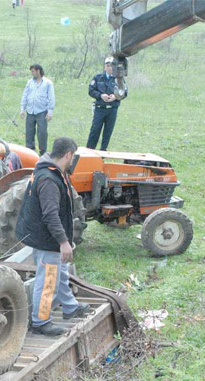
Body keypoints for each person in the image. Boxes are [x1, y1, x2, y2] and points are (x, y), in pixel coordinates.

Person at [15, 137, 90, 336]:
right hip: (46, 239)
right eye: (73, 157)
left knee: (60, 270)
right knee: (48, 280)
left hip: (43, 235)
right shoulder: (49, 179)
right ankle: (41, 322)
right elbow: (50, 215)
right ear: (68, 155)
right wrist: (63, 242)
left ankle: (69, 306)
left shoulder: (49, 169)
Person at [86, 56, 123, 151]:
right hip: (100, 108)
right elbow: (91, 90)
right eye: (108, 65)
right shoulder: (98, 78)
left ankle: (103, 151)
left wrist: (116, 96)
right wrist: (100, 95)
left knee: (108, 132)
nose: (110, 68)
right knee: (95, 130)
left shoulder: (119, 79)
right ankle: (90, 151)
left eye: (112, 66)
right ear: (105, 66)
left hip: (112, 109)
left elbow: (124, 92)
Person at [20, 64, 55, 156]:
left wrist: (50, 111)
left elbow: (51, 97)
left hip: (42, 112)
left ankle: (43, 153)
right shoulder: (30, 82)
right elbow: (25, 95)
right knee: (29, 132)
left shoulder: (48, 83)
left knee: (42, 132)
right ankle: (30, 152)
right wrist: (22, 109)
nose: (32, 73)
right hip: (30, 111)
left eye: (33, 71)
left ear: (38, 71)